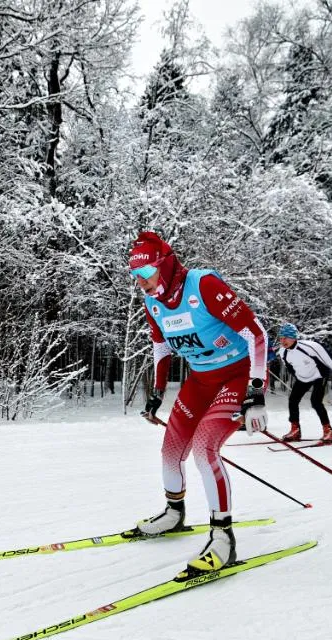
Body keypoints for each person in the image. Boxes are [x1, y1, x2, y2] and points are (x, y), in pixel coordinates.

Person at [130, 230, 269, 574]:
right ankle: (173, 514)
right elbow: (161, 346)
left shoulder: (203, 284)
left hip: (235, 376)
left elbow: (257, 333)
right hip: (200, 380)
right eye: (135, 277)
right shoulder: (153, 302)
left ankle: (223, 538)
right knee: (170, 451)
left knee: (205, 449)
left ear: (164, 266)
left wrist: (256, 391)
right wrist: (157, 391)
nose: (141, 283)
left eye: (146, 274)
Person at [272, 324, 332, 444]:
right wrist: (299, 377)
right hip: (303, 378)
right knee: (293, 400)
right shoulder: (283, 352)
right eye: (281, 338)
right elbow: (290, 368)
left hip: (319, 375)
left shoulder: (309, 347)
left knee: (316, 402)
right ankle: (295, 430)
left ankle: (328, 431)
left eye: (286, 338)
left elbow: (328, 359)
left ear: (293, 337)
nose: (283, 341)